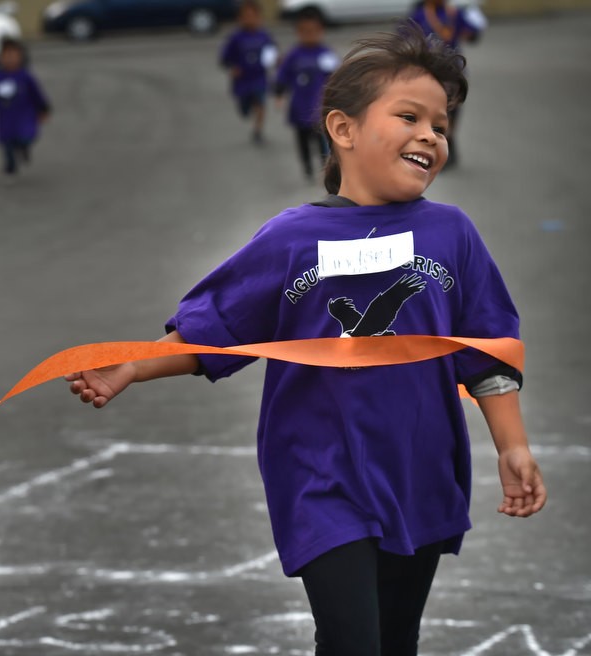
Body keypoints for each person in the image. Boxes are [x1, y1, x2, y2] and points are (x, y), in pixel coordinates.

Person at [65, 24, 546, 655]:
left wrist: (512, 446)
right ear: (343, 130)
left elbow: (488, 354)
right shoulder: (292, 240)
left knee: (394, 640)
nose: (431, 134)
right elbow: (216, 331)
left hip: (418, 471)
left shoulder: (452, 234)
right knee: (352, 640)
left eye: (442, 124)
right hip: (322, 477)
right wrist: (133, 366)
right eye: (409, 116)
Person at [410, 0, 485, 168]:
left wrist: (473, 18)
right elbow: (403, 37)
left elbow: (473, 35)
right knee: (436, 112)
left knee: (451, 112)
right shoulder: (419, 14)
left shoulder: (455, 13)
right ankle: (444, 148)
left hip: (453, 74)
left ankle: (450, 147)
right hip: (430, 74)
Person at [274, 7, 339, 181]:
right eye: (305, 31)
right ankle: (307, 167)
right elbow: (282, 76)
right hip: (299, 108)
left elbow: (337, 78)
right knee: (302, 142)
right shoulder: (293, 55)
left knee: (322, 142)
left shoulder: (325, 54)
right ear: (298, 32)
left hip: (319, 110)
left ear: (321, 31)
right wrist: (279, 94)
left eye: (313, 31)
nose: (309, 35)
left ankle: (325, 169)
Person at [0, 37, 51, 179]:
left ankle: (24, 148)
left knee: (24, 137)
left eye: (13, 56)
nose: (10, 60)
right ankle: (10, 167)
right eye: (6, 56)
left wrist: (43, 109)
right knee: (6, 142)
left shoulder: (25, 76)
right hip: (6, 117)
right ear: (0, 58)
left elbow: (36, 93)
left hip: (25, 115)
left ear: (21, 57)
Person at [219, 0, 277, 145]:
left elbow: (272, 53)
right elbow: (225, 58)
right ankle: (245, 106)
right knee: (245, 110)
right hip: (242, 81)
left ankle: (258, 131)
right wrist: (233, 68)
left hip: (259, 78)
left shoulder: (264, 36)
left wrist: (275, 61)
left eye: (253, 16)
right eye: (246, 16)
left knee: (261, 104)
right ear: (240, 18)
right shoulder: (236, 38)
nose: (250, 19)